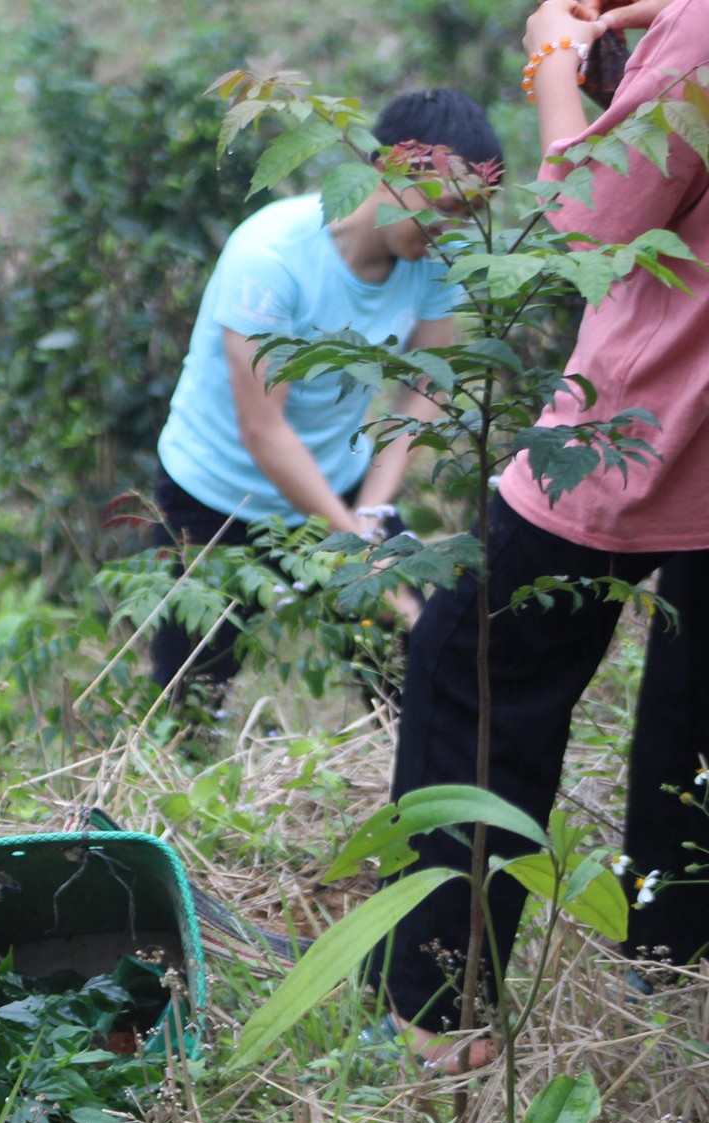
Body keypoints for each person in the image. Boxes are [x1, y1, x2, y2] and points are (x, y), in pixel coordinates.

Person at [376, 0, 709, 1072]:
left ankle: (433, 1014)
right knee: (689, 701)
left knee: (470, 670)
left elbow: (592, 221)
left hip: (643, 426)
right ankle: (670, 966)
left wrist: (553, 65)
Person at [148, 90, 503, 706]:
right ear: (383, 172)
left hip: (337, 483)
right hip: (214, 498)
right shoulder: (271, 258)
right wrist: (360, 558)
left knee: (407, 675)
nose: (454, 230)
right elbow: (265, 431)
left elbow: (425, 385)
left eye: (471, 213)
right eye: (444, 208)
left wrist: (370, 512)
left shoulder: (440, 255)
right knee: (192, 697)